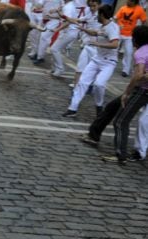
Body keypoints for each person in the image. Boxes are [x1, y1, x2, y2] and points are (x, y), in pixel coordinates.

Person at [62, 4, 120, 118]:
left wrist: (98, 44)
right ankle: (72, 108)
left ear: (102, 15)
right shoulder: (102, 25)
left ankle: (99, 106)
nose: (97, 16)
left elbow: (115, 44)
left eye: (98, 14)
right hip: (96, 59)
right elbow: (95, 33)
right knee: (82, 82)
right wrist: (84, 29)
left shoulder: (112, 28)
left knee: (99, 84)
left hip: (109, 62)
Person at [103, 24, 148, 163]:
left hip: (143, 91)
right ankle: (139, 152)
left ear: (135, 39)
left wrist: (127, 92)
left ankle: (120, 155)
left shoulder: (140, 53)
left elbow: (138, 76)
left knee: (121, 121)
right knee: (143, 121)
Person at [50, 0, 88, 77]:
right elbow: (63, 17)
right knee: (56, 49)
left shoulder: (69, 7)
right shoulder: (67, 5)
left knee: (54, 49)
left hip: (69, 31)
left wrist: (57, 29)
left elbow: (68, 22)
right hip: (68, 31)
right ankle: (56, 68)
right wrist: (54, 13)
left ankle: (60, 69)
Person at [115, 0, 147, 77]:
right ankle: (109, 63)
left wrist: (139, 30)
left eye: (129, 0)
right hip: (119, 33)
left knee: (129, 52)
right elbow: (116, 18)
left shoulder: (139, 9)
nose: (127, 1)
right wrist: (119, 24)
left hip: (129, 35)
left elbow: (144, 20)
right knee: (113, 49)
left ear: (134, 2)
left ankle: (125, 70)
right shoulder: (123, 8)